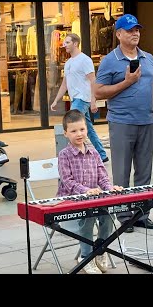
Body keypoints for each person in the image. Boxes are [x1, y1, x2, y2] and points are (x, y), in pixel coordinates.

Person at [94, 13, 153, 233]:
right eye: (130, 30)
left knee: (144, 171)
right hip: (121, 122)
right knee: (122, 171)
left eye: (137, 30)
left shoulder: (149, 58)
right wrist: (127, 82)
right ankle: (124, 216)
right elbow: (98, 91)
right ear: (119, 34)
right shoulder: (109, 60)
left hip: (146, 121)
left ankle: (142, 214)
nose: (135, 33)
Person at [57, 109, 122, 274]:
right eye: (73, 131)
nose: (79, 134)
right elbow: (68, 181)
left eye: (82, 129)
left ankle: (100, 250)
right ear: (65, 133)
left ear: (87, 130)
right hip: (72, 200)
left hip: (93, 198)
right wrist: (85, 191)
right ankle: (86, 256)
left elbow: (103, 177)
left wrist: (109, 188)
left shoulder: (94, 153)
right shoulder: (64, 155)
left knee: (108, 214)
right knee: (88, 217)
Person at [50, 33, 109, 163]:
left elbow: (93, 81)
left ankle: (73, 155)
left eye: (67, 42)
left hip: (82, 99)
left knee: (71, 125)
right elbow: (65, 84)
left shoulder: (85, 60)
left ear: (75, 43)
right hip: (75, 99)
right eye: (64, 43)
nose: (64, 45)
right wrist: (56, 100)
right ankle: (102, 154)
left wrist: (93, 101)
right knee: (88, 127)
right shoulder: (68, 63)